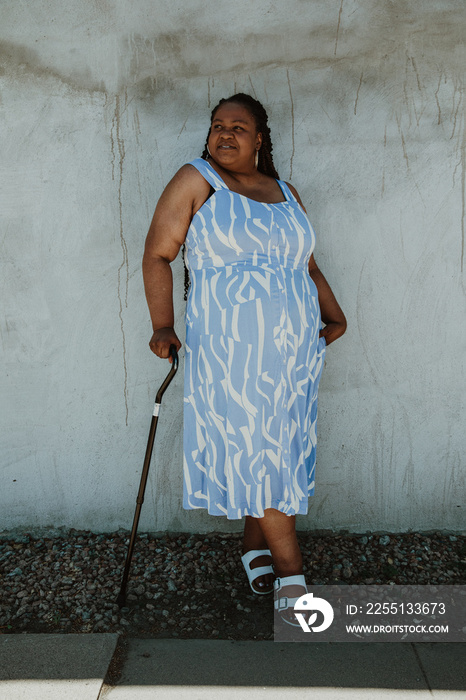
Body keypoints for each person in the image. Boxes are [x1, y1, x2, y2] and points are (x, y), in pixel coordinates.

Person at [142, 93, 346, 625]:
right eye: (217, 125)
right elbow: (158, 253)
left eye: (239, 126)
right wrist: (162, 324)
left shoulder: (286, 192)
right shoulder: (196, 181)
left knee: (281, 446)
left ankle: (254, 547)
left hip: (294, 352)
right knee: (261, 449)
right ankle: (294, 579)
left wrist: (334, 314)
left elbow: (306, 264)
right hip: (232, 353)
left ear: (260, 138)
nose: (225, 134)